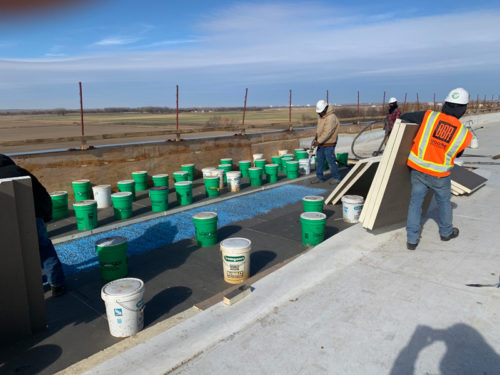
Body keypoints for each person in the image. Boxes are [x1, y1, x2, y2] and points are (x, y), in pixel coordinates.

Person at [401, 88, 472, 250]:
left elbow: (404, 117)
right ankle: (446, 233)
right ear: (463, 110)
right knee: (444, 203)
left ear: (445, 104)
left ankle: (412, 240)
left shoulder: (429, 116)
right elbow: (458, 153)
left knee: (415, 203)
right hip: (440, 175)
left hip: (418, 170)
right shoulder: (464, 134)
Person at [0, 154, 66, 296]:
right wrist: (47, 215)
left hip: (6, 222)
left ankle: (23, 287)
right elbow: (41, 194)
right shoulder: (19, 171)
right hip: (33, 216)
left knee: (14, 254)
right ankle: (57, 283)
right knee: (44, 249)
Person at [310, 99, 342, 185]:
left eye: (320, 112)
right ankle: (319, 177)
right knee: (319, 160)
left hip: (329, 143)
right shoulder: (321, 116)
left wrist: (318, 141)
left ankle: (337, 177)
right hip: (321, 142)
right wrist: (316, 137)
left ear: (325, 109)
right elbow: (319, 128)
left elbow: (328, 132)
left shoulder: (331, 118)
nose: (319, 113)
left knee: (330, 161)